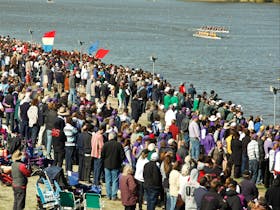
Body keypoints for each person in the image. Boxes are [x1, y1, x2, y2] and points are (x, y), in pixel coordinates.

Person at [101, 132, 125, 200]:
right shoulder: (119, 145)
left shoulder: (106, 144)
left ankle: (108, 195)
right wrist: (119, 162)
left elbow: (102, 155)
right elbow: (122, 156)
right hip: (116, 165)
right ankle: (113, 195)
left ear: (109, 137)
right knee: (115, 181)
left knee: (108, 180)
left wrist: (104, 161)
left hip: (107, 164)